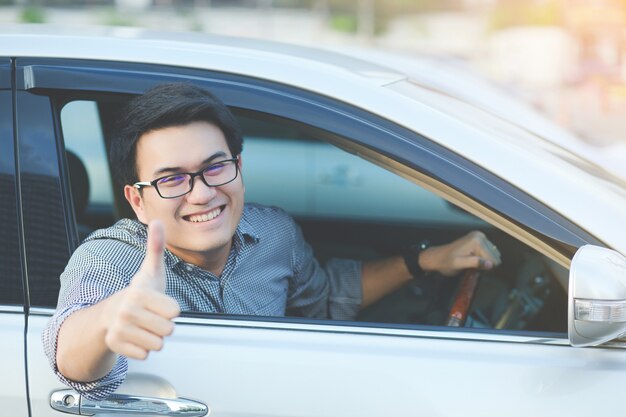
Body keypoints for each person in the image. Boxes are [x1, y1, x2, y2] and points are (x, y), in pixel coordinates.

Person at [43, 83, 501, 400]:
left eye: (215, 167)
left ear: (239, 167)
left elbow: (324, 297)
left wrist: (426, 260)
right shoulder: (112, 260)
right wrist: (109, 320)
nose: (202, 192)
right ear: (137, 201)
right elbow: (70, 360)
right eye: (172, 179)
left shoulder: (275, 234)